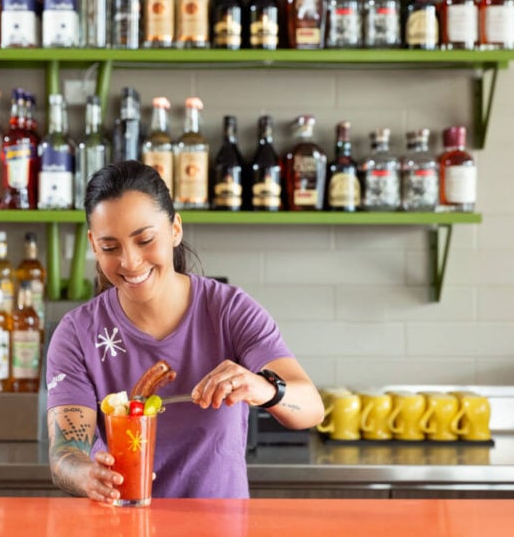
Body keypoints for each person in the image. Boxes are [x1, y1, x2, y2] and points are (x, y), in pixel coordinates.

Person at [46, 160, 323, 501]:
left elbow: (311, 408)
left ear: (175, 228)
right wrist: (87, 475)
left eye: (144, 239)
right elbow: (64, 456)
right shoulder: (77, 333)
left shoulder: (229, 311)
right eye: (110, 247)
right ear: (93, 244)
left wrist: (263, 388)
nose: (130, 262)